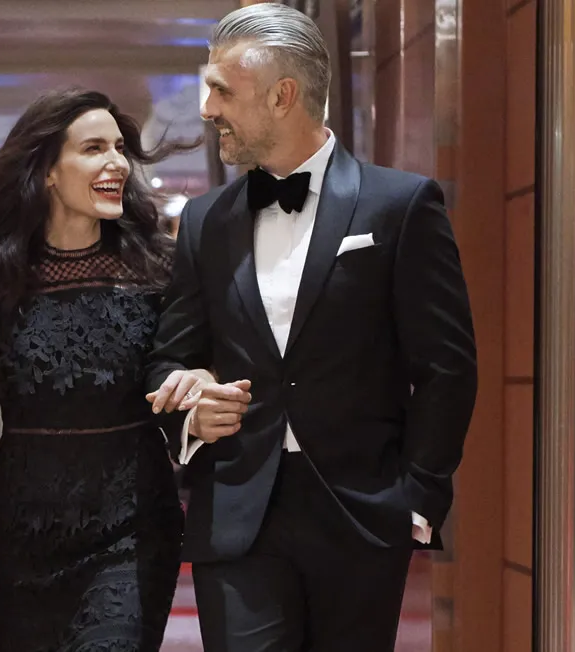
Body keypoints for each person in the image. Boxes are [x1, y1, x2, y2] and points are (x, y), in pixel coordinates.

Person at [145, 4, 479, 650]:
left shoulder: (403, 205)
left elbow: (446, 366)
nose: (208, 108)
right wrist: (188, 411)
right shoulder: (204, 222)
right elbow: (168, 359)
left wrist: (416, 500)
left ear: (282, 96)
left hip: (361, 514)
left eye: (221, 89)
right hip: (239, 515)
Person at [0, 88, 251, 651]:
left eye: (120, 148)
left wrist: (199, 383)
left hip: (132, 530)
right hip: (22, 534)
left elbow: (188, 364)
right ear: (49, 171)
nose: (117, 162)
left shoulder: (159, 266)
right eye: (94, 148)